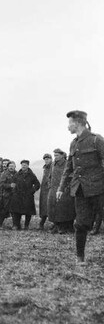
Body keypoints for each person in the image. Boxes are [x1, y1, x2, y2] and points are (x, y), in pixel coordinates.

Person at [56, 110, 104, 265]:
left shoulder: (96, 140)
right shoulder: (73, 143)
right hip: (80, 190)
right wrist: (61, 187)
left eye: (69, 123)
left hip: (98, 189)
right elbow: (68, 168)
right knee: (80, 224)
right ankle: (80, 257)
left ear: (77, 123)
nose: (67, 127)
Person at [47, 148, 75, 234]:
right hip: (53, 189)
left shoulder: (67, 164)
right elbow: (50, 176)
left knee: (64, 209)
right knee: (53, 208)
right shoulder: (53, 164)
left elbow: (71, 176)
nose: (55, 157)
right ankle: (57, 226)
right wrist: (49, 184)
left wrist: (67, 186)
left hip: (64, 190)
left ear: (62, 155)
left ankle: (65, 227)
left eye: (57, 155)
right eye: (54, 155)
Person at [12, 160, 40, 230]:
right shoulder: (17, 174)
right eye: (22, 165)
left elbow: (37, 184)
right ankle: (16, 225)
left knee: (28, 212)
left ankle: (26, 225)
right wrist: (14, 191)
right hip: (18, 195)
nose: (23, 166)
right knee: (16, 211)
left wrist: (32, 191)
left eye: (25, 164)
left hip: (28, 196)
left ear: (28, 165)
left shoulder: (32, 175)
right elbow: (13, 183)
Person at [0, 161, 19, 230]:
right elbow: (1, 184)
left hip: (15, 195)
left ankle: (15, 225)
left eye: (13, 166)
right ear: (8, 167)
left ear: (15, 166)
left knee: (14, 211)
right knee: (4, 210)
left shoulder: (17, 174)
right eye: (10, 166)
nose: (11, 167)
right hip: (6, 195)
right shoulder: (4, 174)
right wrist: (9, 185)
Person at [38, 153, 53, 230]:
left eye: (47, 159)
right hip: (44, 190)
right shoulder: (45, 168)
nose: (46, 161)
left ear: (51, 159)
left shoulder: (53, 167)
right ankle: (41, 223)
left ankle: (54, 224)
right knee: (44, 207)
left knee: (50, 206)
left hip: (50, 189)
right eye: (45, 159)